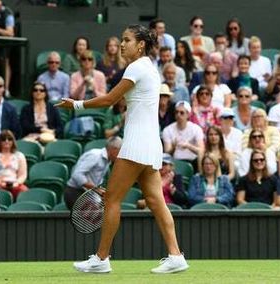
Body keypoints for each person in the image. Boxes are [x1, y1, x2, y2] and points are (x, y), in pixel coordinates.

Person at [56, 24, 188, 274]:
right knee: (155, 200)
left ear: (140, 44)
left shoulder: (137, 66)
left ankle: (101, 259)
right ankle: (175, 255)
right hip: (150, 144)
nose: (122, 44)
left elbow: (109, 99)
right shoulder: (149, 67)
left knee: (113, 199)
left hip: (138, 143)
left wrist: (76, 104)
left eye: (127, 40)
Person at [64, 136, 122, 209]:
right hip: (75, 192)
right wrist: (96, 189)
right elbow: (77, 175)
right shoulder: (95, 155)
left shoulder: (107, 161)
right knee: (93, 216)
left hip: (88, 194)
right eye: (120, 151)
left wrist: (99, 194)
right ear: (113, 149)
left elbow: (96, 184)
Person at [0, 130, 27, 199]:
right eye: (3, 139)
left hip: (14, 183)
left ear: (13, 141)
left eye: (9, 139)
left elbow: (23, 175)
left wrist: (16, 183)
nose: (7, 141)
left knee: (24, 192)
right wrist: (0, 182)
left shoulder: (19, 156)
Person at [162, 101, 205, 167]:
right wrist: (173, 147)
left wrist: (188, 146)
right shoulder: (167, 130)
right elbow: (167, 153)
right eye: (176, 112)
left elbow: (201, 151)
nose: (178, 115)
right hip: (174, 162)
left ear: (188, 114)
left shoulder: (196, 128)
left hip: (193, 162)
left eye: (182, 113)